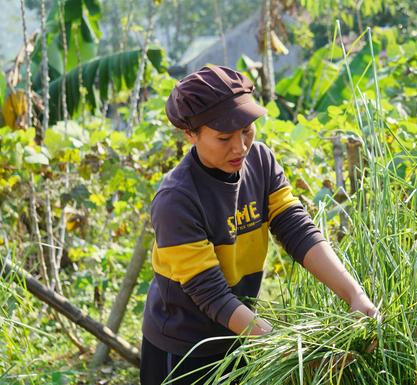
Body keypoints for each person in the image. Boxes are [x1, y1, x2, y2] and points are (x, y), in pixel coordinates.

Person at [140, 66, 378, 385]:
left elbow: (296, 228)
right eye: (224, 137)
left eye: (247, 130)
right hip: (186, 349)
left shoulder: (261, 162)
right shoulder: (176, 200)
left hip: (240, 333)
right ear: (190, 134)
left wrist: (355, 295)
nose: (240, 147)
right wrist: (283, 347)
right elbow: (209, 293)